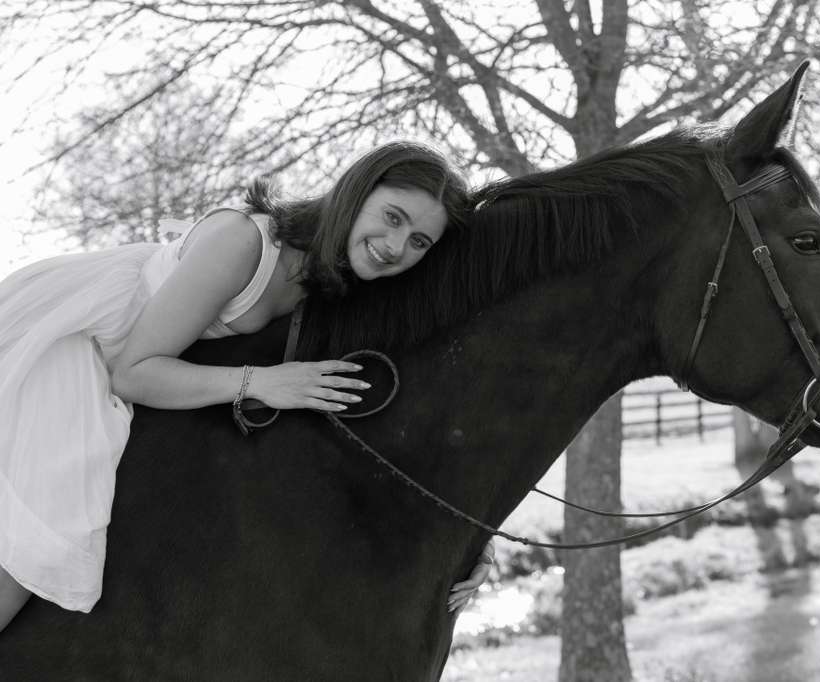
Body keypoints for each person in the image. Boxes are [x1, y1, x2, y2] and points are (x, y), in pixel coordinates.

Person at [0, 141, 493, 632]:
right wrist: (261, 382)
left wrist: (475, 541)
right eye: (392, 217)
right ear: (357, 192)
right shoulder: (245, 242)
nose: (397, 246)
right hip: (81, 345)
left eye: (419, 241)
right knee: (42, 539)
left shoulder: (350, 281)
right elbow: (131, 373)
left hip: (139, 361)